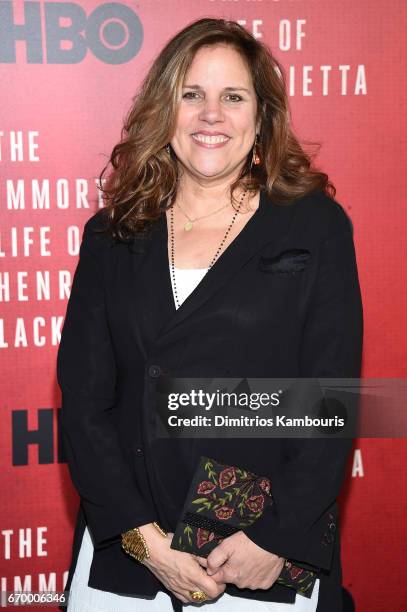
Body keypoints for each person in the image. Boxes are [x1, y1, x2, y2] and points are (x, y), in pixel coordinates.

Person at [57, 18, 363, 612]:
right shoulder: (114, 233)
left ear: (261, 115)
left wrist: (273, 536)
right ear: (165, 108)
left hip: (259, 556)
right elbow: (86, 404)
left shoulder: (315, 226)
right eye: (191, 95)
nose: (210, 115)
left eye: (233, 97)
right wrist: (144, 541)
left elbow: (332, 400)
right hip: (133, 551)